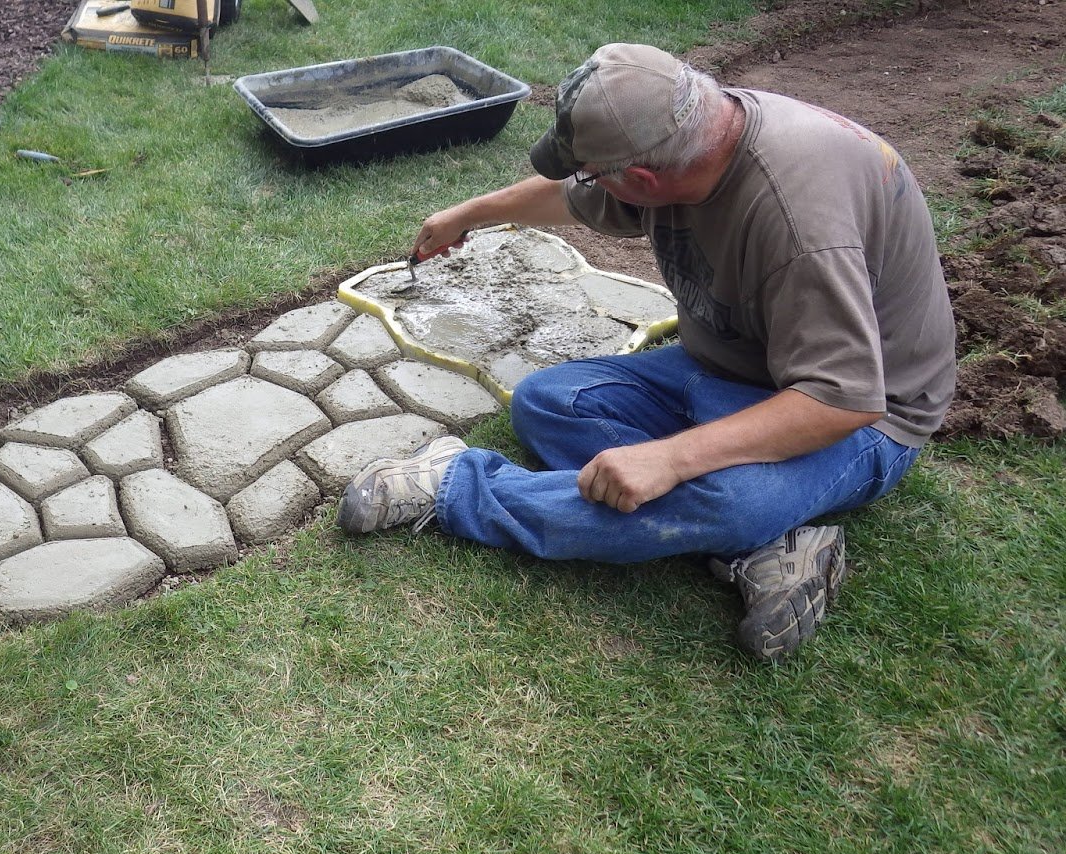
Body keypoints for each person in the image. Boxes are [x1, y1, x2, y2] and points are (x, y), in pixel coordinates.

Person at [336, 43, 956, 662]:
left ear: (641, 181)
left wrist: (673, 459)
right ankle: (776, 546)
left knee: (730, 502)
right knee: (547, 401)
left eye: (592, 172)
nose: (585, 185)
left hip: (863, 419)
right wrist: (469, 213)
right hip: (730, 367)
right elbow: (568, 198)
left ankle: (455, 487)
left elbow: (841, 400)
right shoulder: (691, 136)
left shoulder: (799, 225)